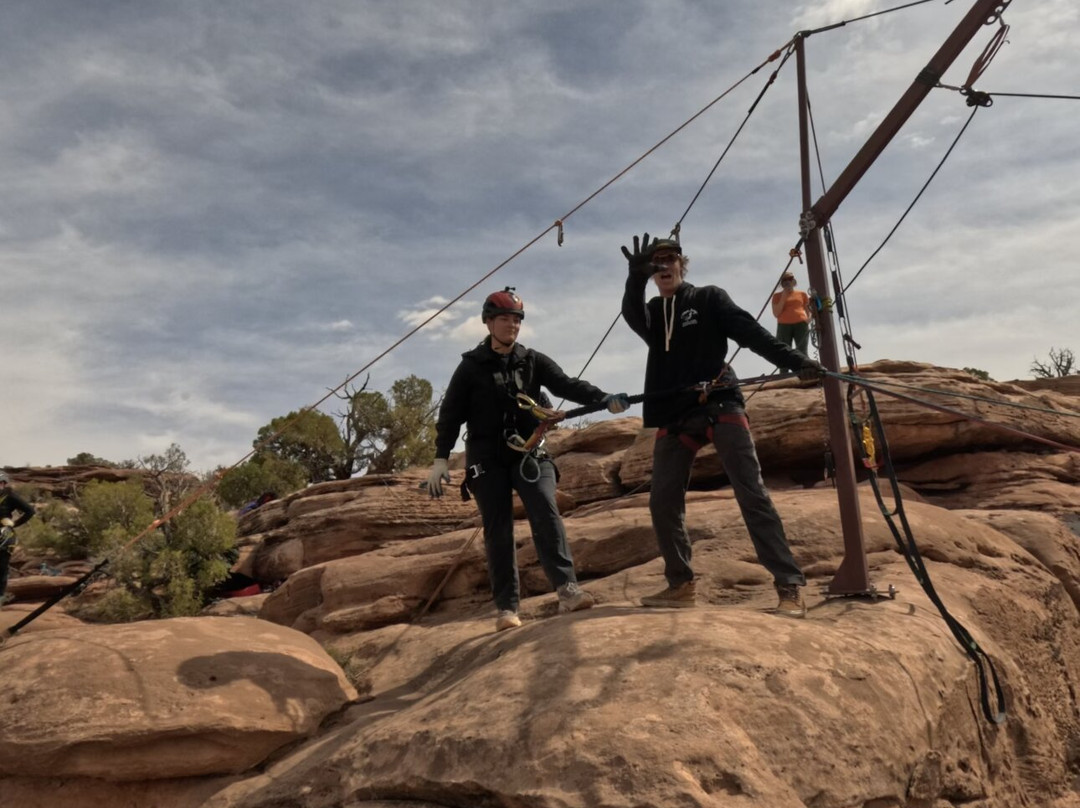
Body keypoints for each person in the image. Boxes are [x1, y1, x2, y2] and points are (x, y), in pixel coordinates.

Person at [620, 234, 825, 617]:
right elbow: (631, 314)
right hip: (674, 411)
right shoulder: (651, 310)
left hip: (719, 401)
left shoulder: (709, 297)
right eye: (656, 263)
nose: (664, 266)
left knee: (752, 493)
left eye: (670, 259)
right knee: (662, 502)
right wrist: (634, 277)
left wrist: (797, 361)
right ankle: (680, 585)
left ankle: (789, 586)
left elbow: (750, 333)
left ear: (683, 263)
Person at [428, 287, 630, 632]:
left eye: (517, 319)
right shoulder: (470, 367)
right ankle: (507, 608)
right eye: (505, 318)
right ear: (489, 322)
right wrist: (441, 459)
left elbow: (568, 385)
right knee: (498, 530)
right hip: (488, 458)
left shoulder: (532, 360)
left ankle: (567, 590)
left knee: (545, 511)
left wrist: (603, 398)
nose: (513, 325)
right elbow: (450, 415)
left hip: (530, 452)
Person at [0, 471, 36, 605]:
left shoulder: (9, 495)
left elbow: (30, 511)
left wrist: (15, 524)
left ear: (3, 484)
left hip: (4, 535)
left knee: (1, 568)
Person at [771, 270, 812, 355]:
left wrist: (808, 319)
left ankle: (803, 368)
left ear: (793, 281)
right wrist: (783, 297)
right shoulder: (776, 296)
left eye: (790, 278)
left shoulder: (802, 294)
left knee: (802, 352)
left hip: (801, 324)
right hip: (784, 326)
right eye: (784, 280)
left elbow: (808, 309)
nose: (787, 281)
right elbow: (776, 313)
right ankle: (784, 369)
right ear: (782, 283)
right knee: (783, 352)